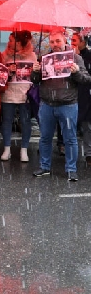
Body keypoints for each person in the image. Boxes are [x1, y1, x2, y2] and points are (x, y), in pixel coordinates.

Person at [32, 30, 91, 182]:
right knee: (45, 137)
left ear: (64, 41)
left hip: (68, 105)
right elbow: (36, 81)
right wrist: (35, 72)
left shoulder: (75, 58)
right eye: (52, 42)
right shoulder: (44, 58)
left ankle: (71, 169)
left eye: (58, 41)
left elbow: (85, 79)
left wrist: (76, 72)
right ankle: (45, 166)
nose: (55, 45)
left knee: (70, 138)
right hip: (47, 104)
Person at [0, 31, 36, 162]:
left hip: (25, 93)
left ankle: (24, 149)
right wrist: (8, 72)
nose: (9, 43)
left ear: (19, 42)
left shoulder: (32, 56)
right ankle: (7, 148)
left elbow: (35, 76)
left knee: (25, 121)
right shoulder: (4, 55)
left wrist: (35, 70)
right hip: (8, 92)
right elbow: (0, 74)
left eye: (11, 40)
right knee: (7, 120)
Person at [71, 33, 91, 166]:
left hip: (86, 94)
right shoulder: (68, 56)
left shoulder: (88, 56)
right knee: (74, 125)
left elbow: (87, 77)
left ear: (82, 42)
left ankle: (89, 154)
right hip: (72, 95)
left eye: (75, 40)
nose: (72, 43)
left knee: (87, 124)